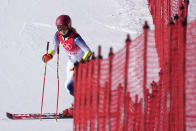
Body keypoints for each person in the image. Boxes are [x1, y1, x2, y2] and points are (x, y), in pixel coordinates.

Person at [42, 15, 91, 116]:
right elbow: (54, 48)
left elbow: (88, 52)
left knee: (71, 85)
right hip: (71, 62)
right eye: (59, 28)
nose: (62, 30)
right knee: (68, 86)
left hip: (81, 63)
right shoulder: (57, 36)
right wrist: (49, 55)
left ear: (69, 26)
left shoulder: (76, 38)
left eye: (64, 27)